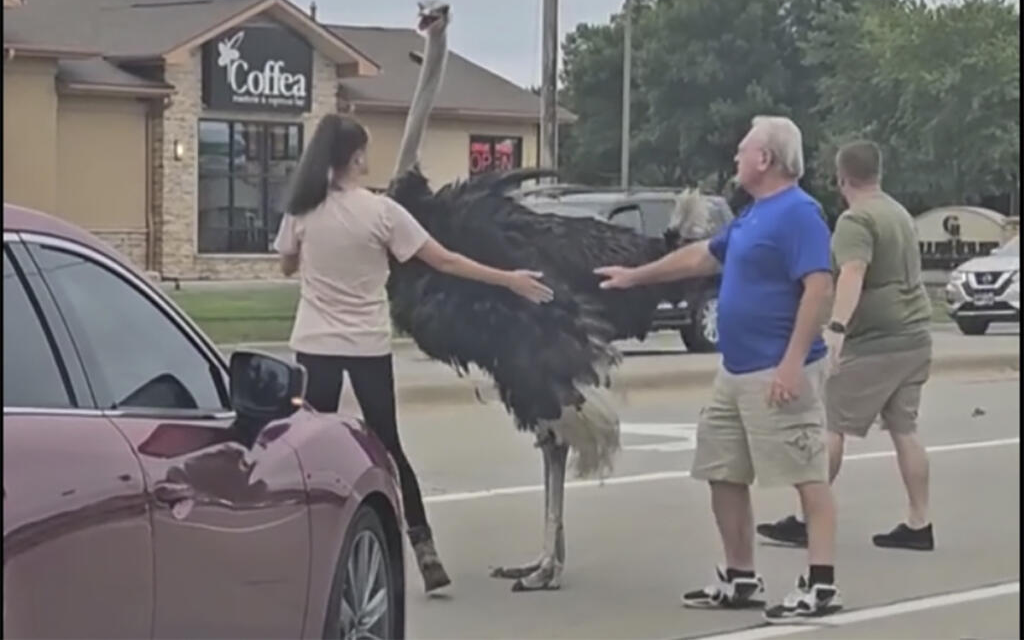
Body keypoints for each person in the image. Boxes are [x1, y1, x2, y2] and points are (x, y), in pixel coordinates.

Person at [274, 114, 554, 593]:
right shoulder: (382, 213)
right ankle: (423, 546)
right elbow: (444, 260)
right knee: (389, 445)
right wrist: (509, 279)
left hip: (314, 343)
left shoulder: (302, 209)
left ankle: (303, 545)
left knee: (307, 448)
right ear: (357, 156)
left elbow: (285, 264)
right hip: (366, 345)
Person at [596, 116, 841, 621]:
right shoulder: (753, 215)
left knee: (806, 474)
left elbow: (819, 288)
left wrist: (792, 364)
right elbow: (703, 258)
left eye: (742, 149)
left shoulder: (800, 214)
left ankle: (820, 585)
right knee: (722, 471)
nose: (735, 157)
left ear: (766, 159)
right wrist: (635, 277)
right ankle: (741, 576)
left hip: (778, 370)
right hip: (735, 370)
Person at [757, 140, 935, 551]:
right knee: (905, 430)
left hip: (877, 341)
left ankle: (807, 519)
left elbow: (853, 272)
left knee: (831, 427)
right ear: (878, 173)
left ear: (841, 178)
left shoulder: (856, 221)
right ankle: (919, 521)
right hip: (915, 335)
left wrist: (836, 326)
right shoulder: (898, 213)